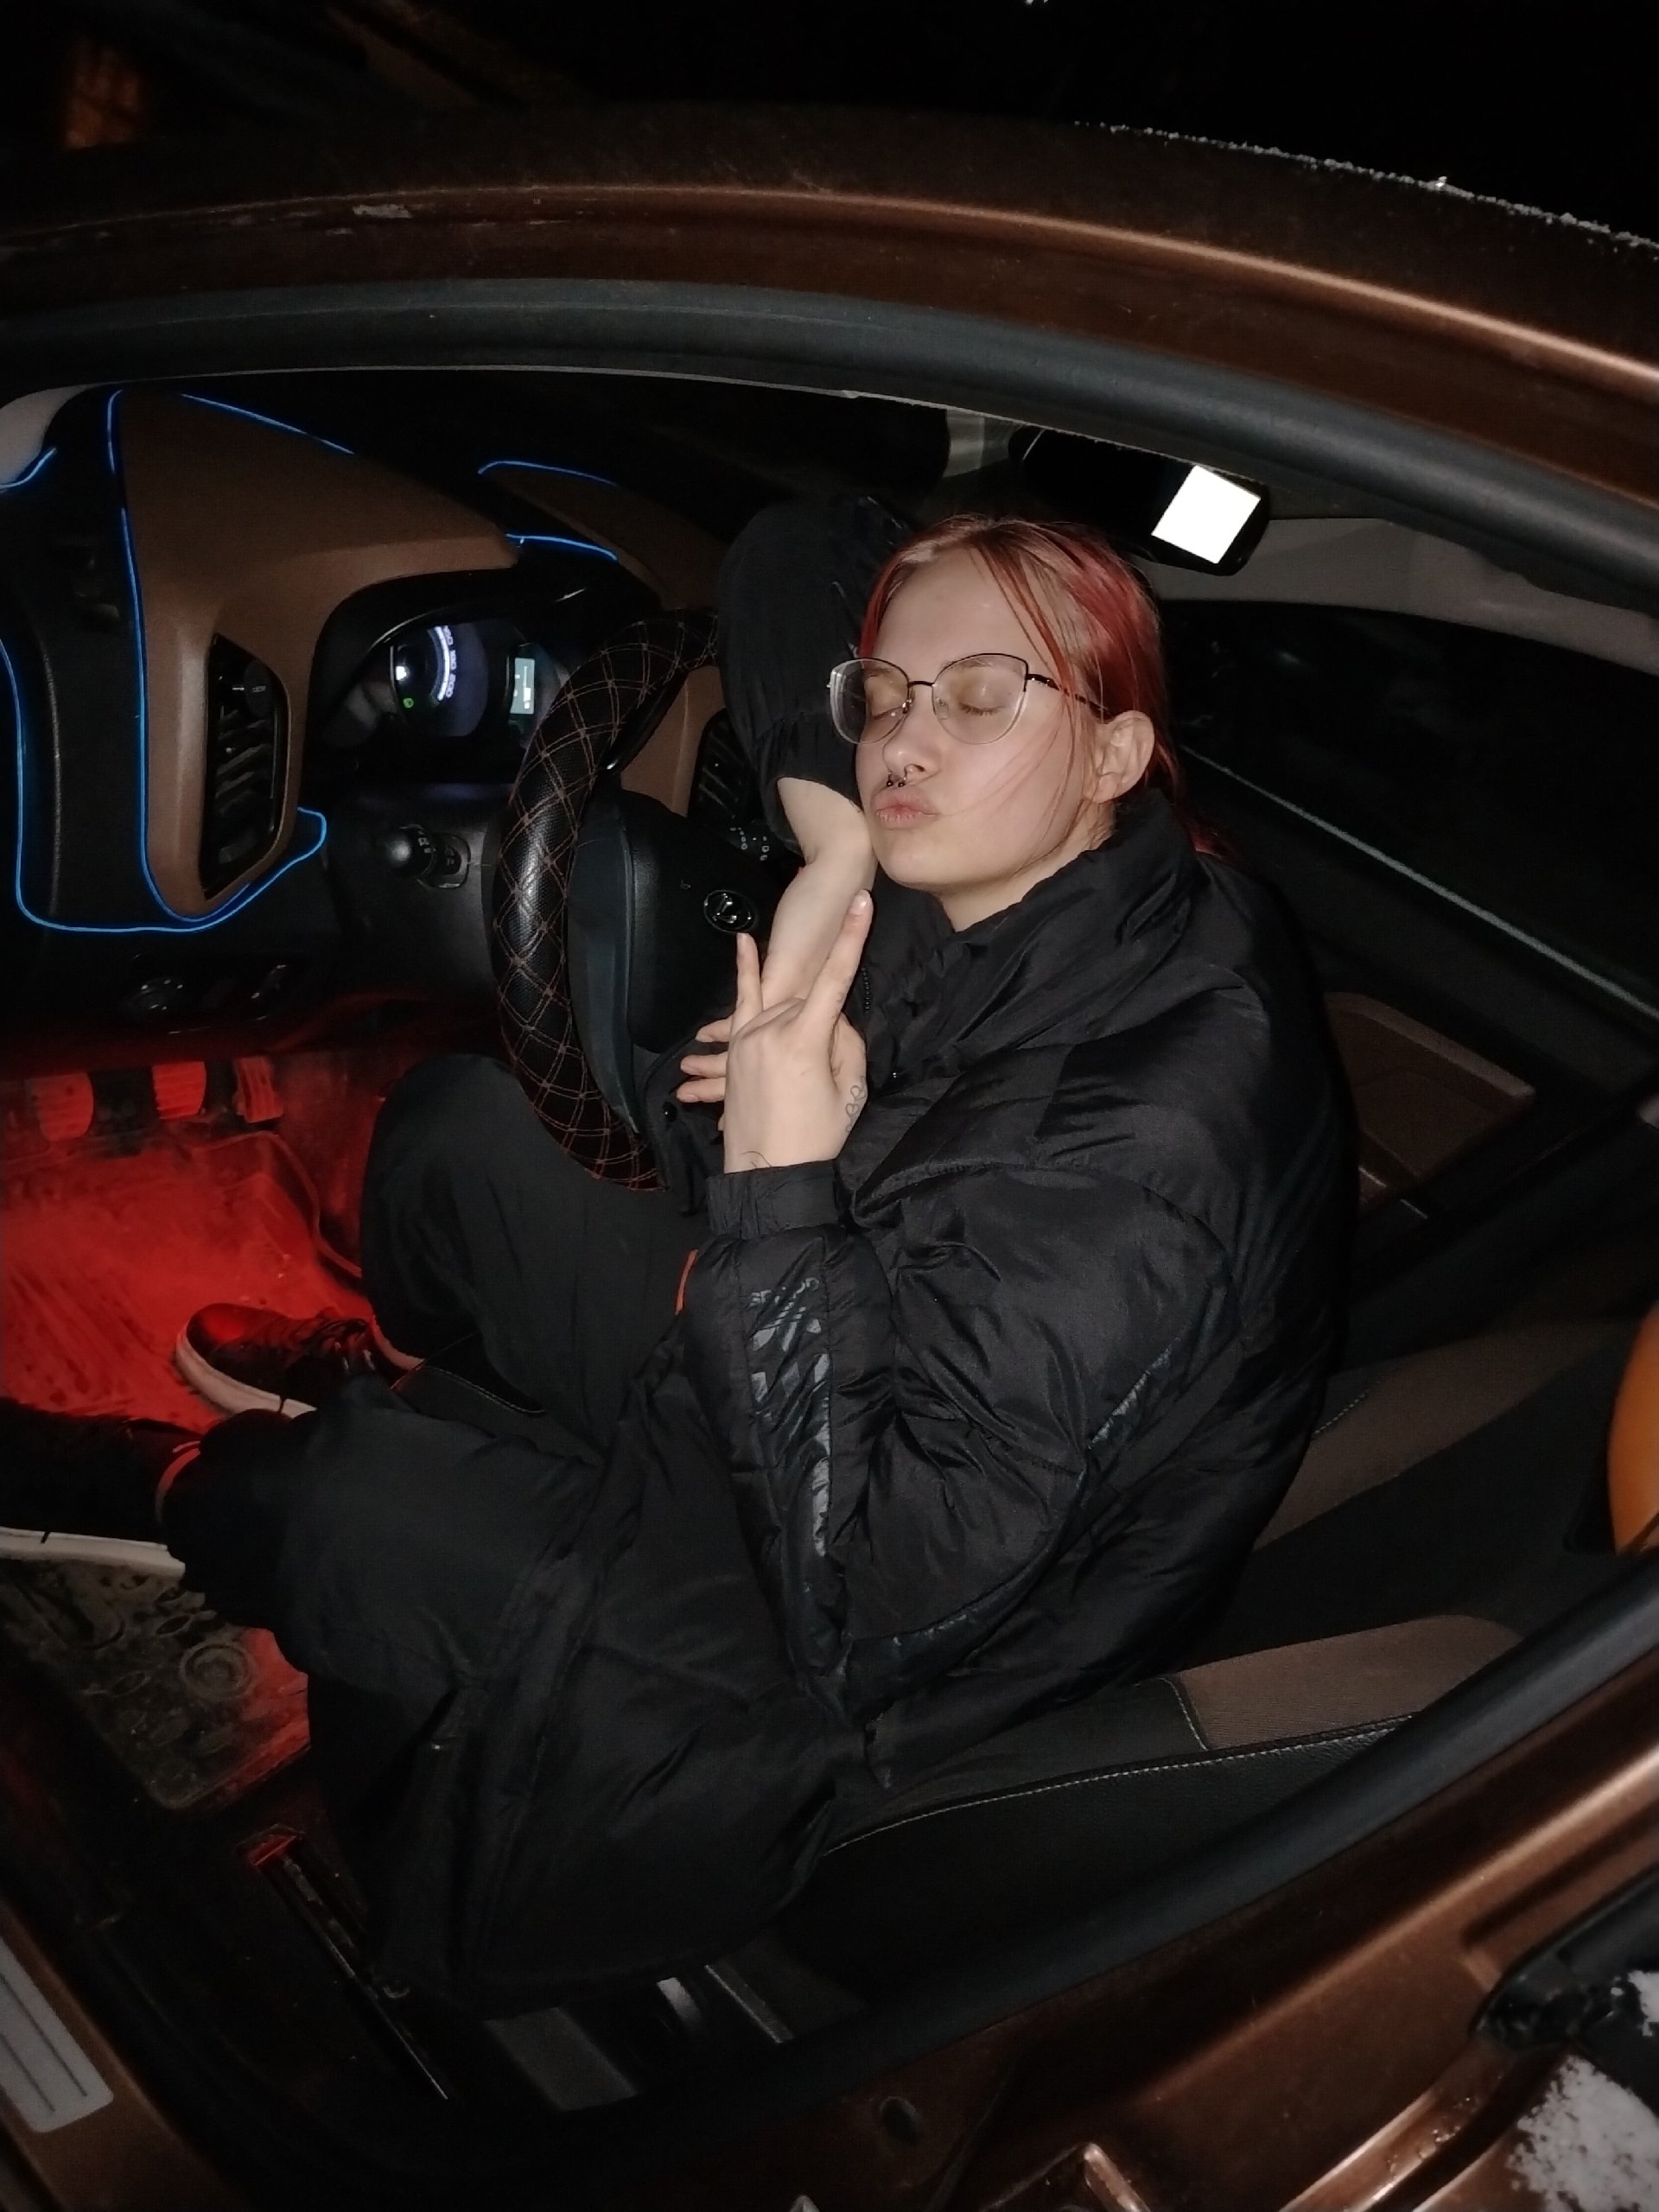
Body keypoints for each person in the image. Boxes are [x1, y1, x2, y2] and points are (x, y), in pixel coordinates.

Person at [0, 511, 1347, 2012]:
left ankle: (165, 1489)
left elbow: (869, 1604)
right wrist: (836, 851)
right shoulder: (1095, 891)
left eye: (980, 698)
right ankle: (416, 1387)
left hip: (846, 1659)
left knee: (336, 1506)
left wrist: (783, 1182)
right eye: (883, 695)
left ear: (1113, 752)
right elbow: (792, 549)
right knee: (458, 1141)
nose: (904, 744)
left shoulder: (1146, 1158)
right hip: (850, 1361)